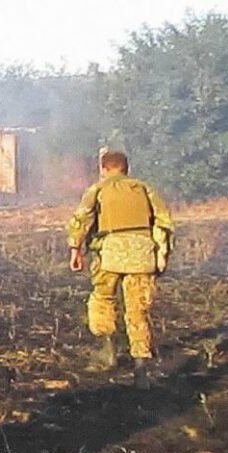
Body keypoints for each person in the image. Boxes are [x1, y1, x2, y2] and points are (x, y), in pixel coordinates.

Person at [68, 150, 174, 389]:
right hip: (142, 254)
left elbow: (81, 219)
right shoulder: (145, 189)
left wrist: (75, 249)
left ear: (104, 168)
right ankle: (140, 370)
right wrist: (162, 255)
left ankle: (108, 352)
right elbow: (164, 222)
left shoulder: (98, 189)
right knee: (138, 311)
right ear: (127, 168)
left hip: (110, 254)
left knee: (103, 299)